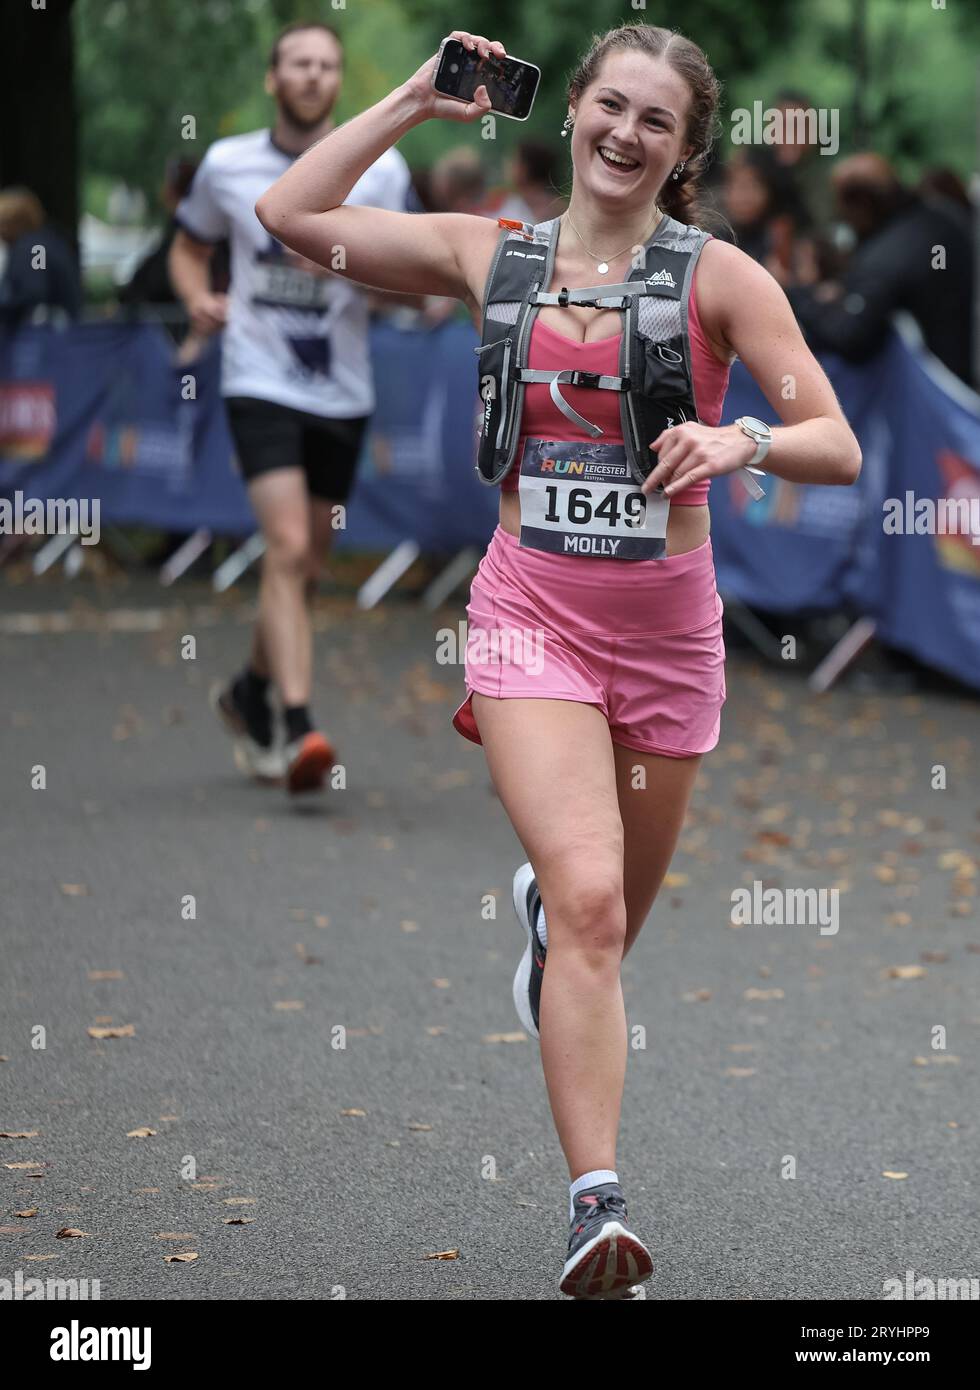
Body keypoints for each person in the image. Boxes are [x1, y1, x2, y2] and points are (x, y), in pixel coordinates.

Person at [255, 23, 861, 1298]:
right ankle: (597, 1208)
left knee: (604, 928)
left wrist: (738, 440)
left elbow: (835, 444)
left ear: (687, 149)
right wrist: (419, 102)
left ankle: (550, 925)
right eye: (608, 106)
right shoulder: (495, 255)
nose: (624, 135)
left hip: (666, 633)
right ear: (573, 110)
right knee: (589, 903)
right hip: (529, 609)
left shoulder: (721, 280)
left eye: (656, 121)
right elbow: (288, 211)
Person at [168, 20, 412, 792]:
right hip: (258, 377)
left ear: (338, 82)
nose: (312, 76)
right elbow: (187, 245)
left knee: (307, 567)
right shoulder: (227, 165)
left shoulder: (382, 169)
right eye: (299, 64)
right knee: (283, 546)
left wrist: (368, 276)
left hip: (342, 387)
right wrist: (197, 299)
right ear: (274, 79)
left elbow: (408, 269)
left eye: (326, 65)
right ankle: (298, 721)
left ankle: (246, 691)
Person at [782, 154, 976, 389]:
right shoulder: (936, 220)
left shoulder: (892, 252)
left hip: (941, 396)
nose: (844, 219)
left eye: (843, 207)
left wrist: (796, 295)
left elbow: (848, 334)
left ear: (862, 203)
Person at [0, 187, 81, 330]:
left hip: (41, 335)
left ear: (14, 222)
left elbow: (34, 291)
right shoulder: (45, 241)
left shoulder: (32, 247)